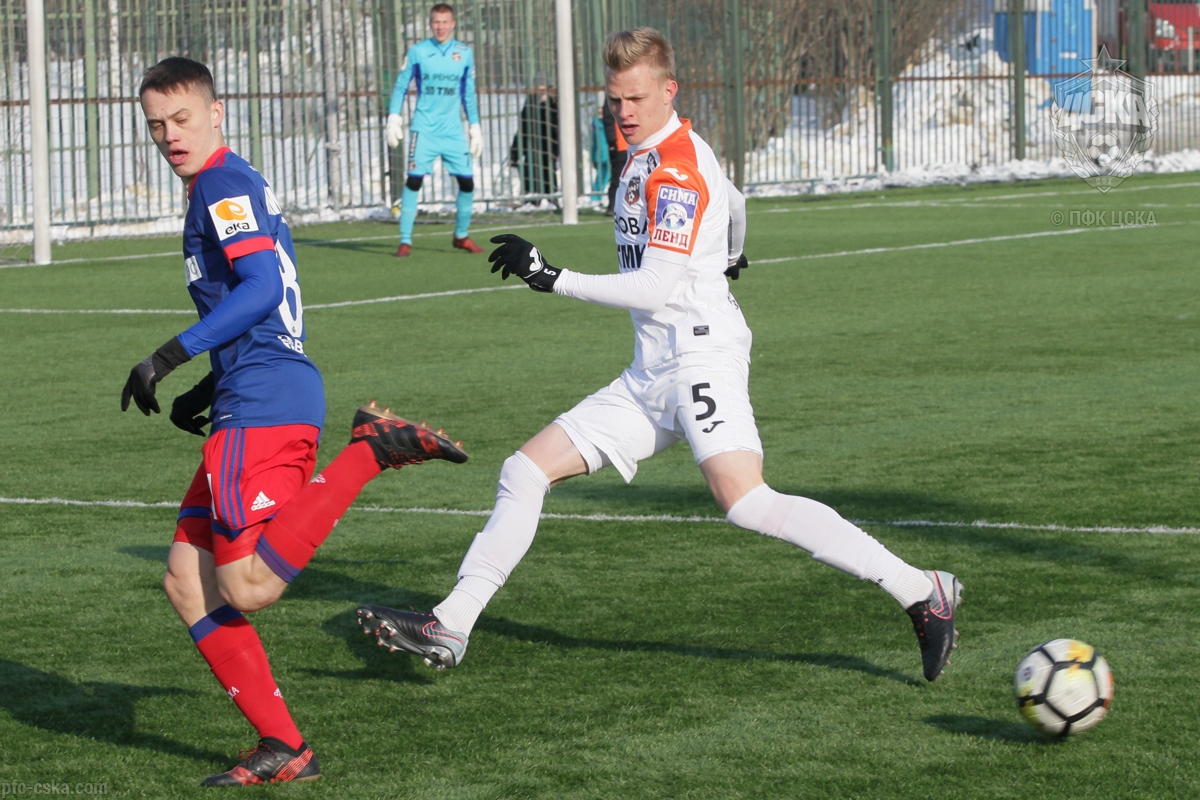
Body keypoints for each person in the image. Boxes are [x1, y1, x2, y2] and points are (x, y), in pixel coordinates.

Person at [356, 28, 962, 684]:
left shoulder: (673, 168)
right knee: (524, 470)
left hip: (700, 358)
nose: (624, 111)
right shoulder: (649, 152)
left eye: (637, 98)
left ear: (669, 90)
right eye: (615, 98)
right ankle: (451, 623)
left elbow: (654, 287)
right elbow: (735, 201)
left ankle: (921, 590)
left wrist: (551, 276)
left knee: (744, 500)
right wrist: (731, 251)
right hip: (650, 370)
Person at [124, 57, 468, 786]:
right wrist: (207, 385)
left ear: (216, 113)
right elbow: (263, 307)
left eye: (181, 118)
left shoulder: (219, 183)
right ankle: (284, 746)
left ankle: (369, 452)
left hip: (264, 402)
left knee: (248, 586)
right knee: (187, 579)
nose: (170, 135)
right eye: (156, 125)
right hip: (255, 387)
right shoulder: (230, 181)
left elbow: (259, 288)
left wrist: (169, 357)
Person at [386, 3, 484, 257]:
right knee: (414, 180)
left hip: (453, 132)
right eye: (436, 22)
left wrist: (475, 126)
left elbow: (468, 93)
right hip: (424, 130)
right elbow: (401, 86)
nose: (440, 27)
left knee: (467, 183)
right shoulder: (418, 52)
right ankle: (405, 240)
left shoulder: (464, 53)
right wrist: (393, 117)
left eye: (445, 22)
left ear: (453, 24)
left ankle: (461, 236)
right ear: (430, 24)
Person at [509, 74, 559, 199]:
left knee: (548, 175)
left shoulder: (554, 104)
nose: (541, 92)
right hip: (532, 147)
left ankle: (550, 198)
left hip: (549, 147)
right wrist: (515, 151)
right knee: (530, 174)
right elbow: (523, 129)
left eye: (544, 89)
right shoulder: (530, 104)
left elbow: (556, 126)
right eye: (538, 89)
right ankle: (531, 199)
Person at [601, 100, 627, 215]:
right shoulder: (612, 99)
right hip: (619, 145)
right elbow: (608, 120)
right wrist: (612, 141)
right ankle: (612, 205)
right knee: (618, 176)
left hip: (633, 144)